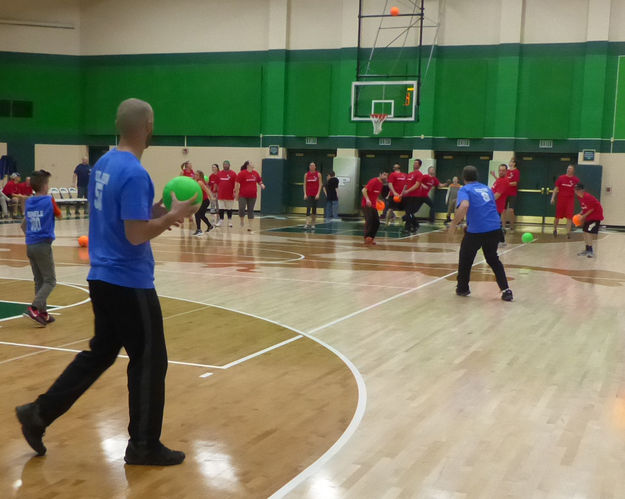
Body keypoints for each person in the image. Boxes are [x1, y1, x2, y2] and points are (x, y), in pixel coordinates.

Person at [15, 98, 199, 466]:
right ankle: (143, 445)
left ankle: (39, 413)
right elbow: (135, 235)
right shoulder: (134, 172)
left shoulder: (105, 164)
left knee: (99, 354)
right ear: (147, 126)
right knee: (150, 361)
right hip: (129, 282)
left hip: (101, 278)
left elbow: (127, 217)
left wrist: (160, 212)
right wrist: (171, 217)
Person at [448, 165, 513, 302]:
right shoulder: (486, 188)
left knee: (465, 258)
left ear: (463, 177)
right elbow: (487, 207)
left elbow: (464, 206)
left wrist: (454, 224)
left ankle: (462, 288)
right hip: (494, 227)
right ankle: (506, 290)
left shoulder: (465, 189)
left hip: (478, 231)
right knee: (492, 259)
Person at [21, 170, 62, 326]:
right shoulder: (49, 200)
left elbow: (23, 225)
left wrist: (31, 236)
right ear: (45, 186)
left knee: (39, 280)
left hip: (30, 245)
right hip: (43, 245)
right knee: (50, 281)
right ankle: (34, 307)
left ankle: (42, 312)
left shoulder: (29, 202)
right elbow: (59, 215)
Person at [574, 183, 604, 258]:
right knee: (585, 232)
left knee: (588, 232)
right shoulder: (580, 197)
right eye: (575, 190)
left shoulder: (587, 197)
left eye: (578, 190)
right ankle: (587, 249)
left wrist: (583, 216)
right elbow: (585, 208)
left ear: (582, 190)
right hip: (589, 217)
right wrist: (580, 214)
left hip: (595, 216)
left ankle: (591, 251)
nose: (576, 191)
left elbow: (592, 209)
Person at [551, 164, 580, 238]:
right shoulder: (561, 178)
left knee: (569, 217)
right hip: (561, 200)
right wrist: (553, 198)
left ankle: (568, 232)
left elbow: (578, 190)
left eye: (570, 169)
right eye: (568, 168)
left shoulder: (576, 180)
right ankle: (555, 229)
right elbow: (556, 188)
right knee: (557, 216)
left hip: (570, 200)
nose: (568, 170)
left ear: (573, 171)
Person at [361, 171, 389, 245]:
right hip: (366, 205)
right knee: (369, 220)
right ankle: (367, 237)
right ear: (380, 174)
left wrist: (378, 200)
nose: (386, 177)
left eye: (387, 175)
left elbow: (374, 193)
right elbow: (364, 190)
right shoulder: (373, 181)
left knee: (377, 222)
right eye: (384, 174)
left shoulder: (381, 184)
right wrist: (367, 199)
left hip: (373, 205)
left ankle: (371, 238)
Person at [235, 161, 262, 232]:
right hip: (242, 195)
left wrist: (261, 184)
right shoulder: (242, 173)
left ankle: (250, 226)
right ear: (248, 165)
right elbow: (237, 184)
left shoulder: (255, 173)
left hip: (253, 195)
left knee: (250, 210)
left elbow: (259, 180)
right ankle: (241, 221)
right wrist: (237, 194)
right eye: (251, 163)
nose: (253, 164)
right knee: (241, 208)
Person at [400, 159, 424, 233]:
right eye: (414, 163)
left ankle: (408, 228)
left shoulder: (419, 174)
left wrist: (408, 191)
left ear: (419, 165)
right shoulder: (410, 174)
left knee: (409, 212)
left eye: (416, 163)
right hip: (407, 196)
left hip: (415, 196)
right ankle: (415, 224)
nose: (414, 164)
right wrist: (402, 193)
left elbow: (417, 185)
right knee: (408, 212)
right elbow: (406, 185)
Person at [216, 160, 237, 227]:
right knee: (221, 208)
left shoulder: (233, 173)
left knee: (229, 208)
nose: (225, 165)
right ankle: (221, 220)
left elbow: (236, 184)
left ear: (229, 165)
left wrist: (235, 192)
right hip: (221, 194)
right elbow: (216, 183)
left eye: (226, 164)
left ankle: (229, 221)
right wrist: (215, 192)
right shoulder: (219, 173)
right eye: (224, 164)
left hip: (229, 194)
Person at [192, 170, 213, 236]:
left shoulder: (200, 182)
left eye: (197, 175)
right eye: (194, 174)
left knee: (197, 213)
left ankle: (199, 230)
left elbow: (206, 190)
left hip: (205, 201)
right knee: (201, 215)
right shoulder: (195, 181)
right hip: (201, 201)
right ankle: (210, 226)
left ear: (200, 176)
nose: (195, 175)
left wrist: (211, 197)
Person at [303, 162, 322, 230]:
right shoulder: (306, 174)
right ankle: (307, 223)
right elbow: (304, 184)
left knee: (314, 209)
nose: (312, 166)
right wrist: (305, 193)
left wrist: (318, 193)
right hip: (308, 194)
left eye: (313, 165)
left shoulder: (318, 174)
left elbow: (320, 184)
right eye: (310, 165)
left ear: (315, 167)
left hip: (315, 194)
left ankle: (313, 224)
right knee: (308, 208)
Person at [503, 158, 520, 230]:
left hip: (512, 193)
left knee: (511, 210)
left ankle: (512, 226)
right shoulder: (506, 171)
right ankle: (503, 226)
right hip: (505, 193)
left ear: (514, 163)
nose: (509, 163)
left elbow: (515, 183)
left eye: (511, 162)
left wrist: (507, 183)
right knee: (503, 210)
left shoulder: (516, 171)